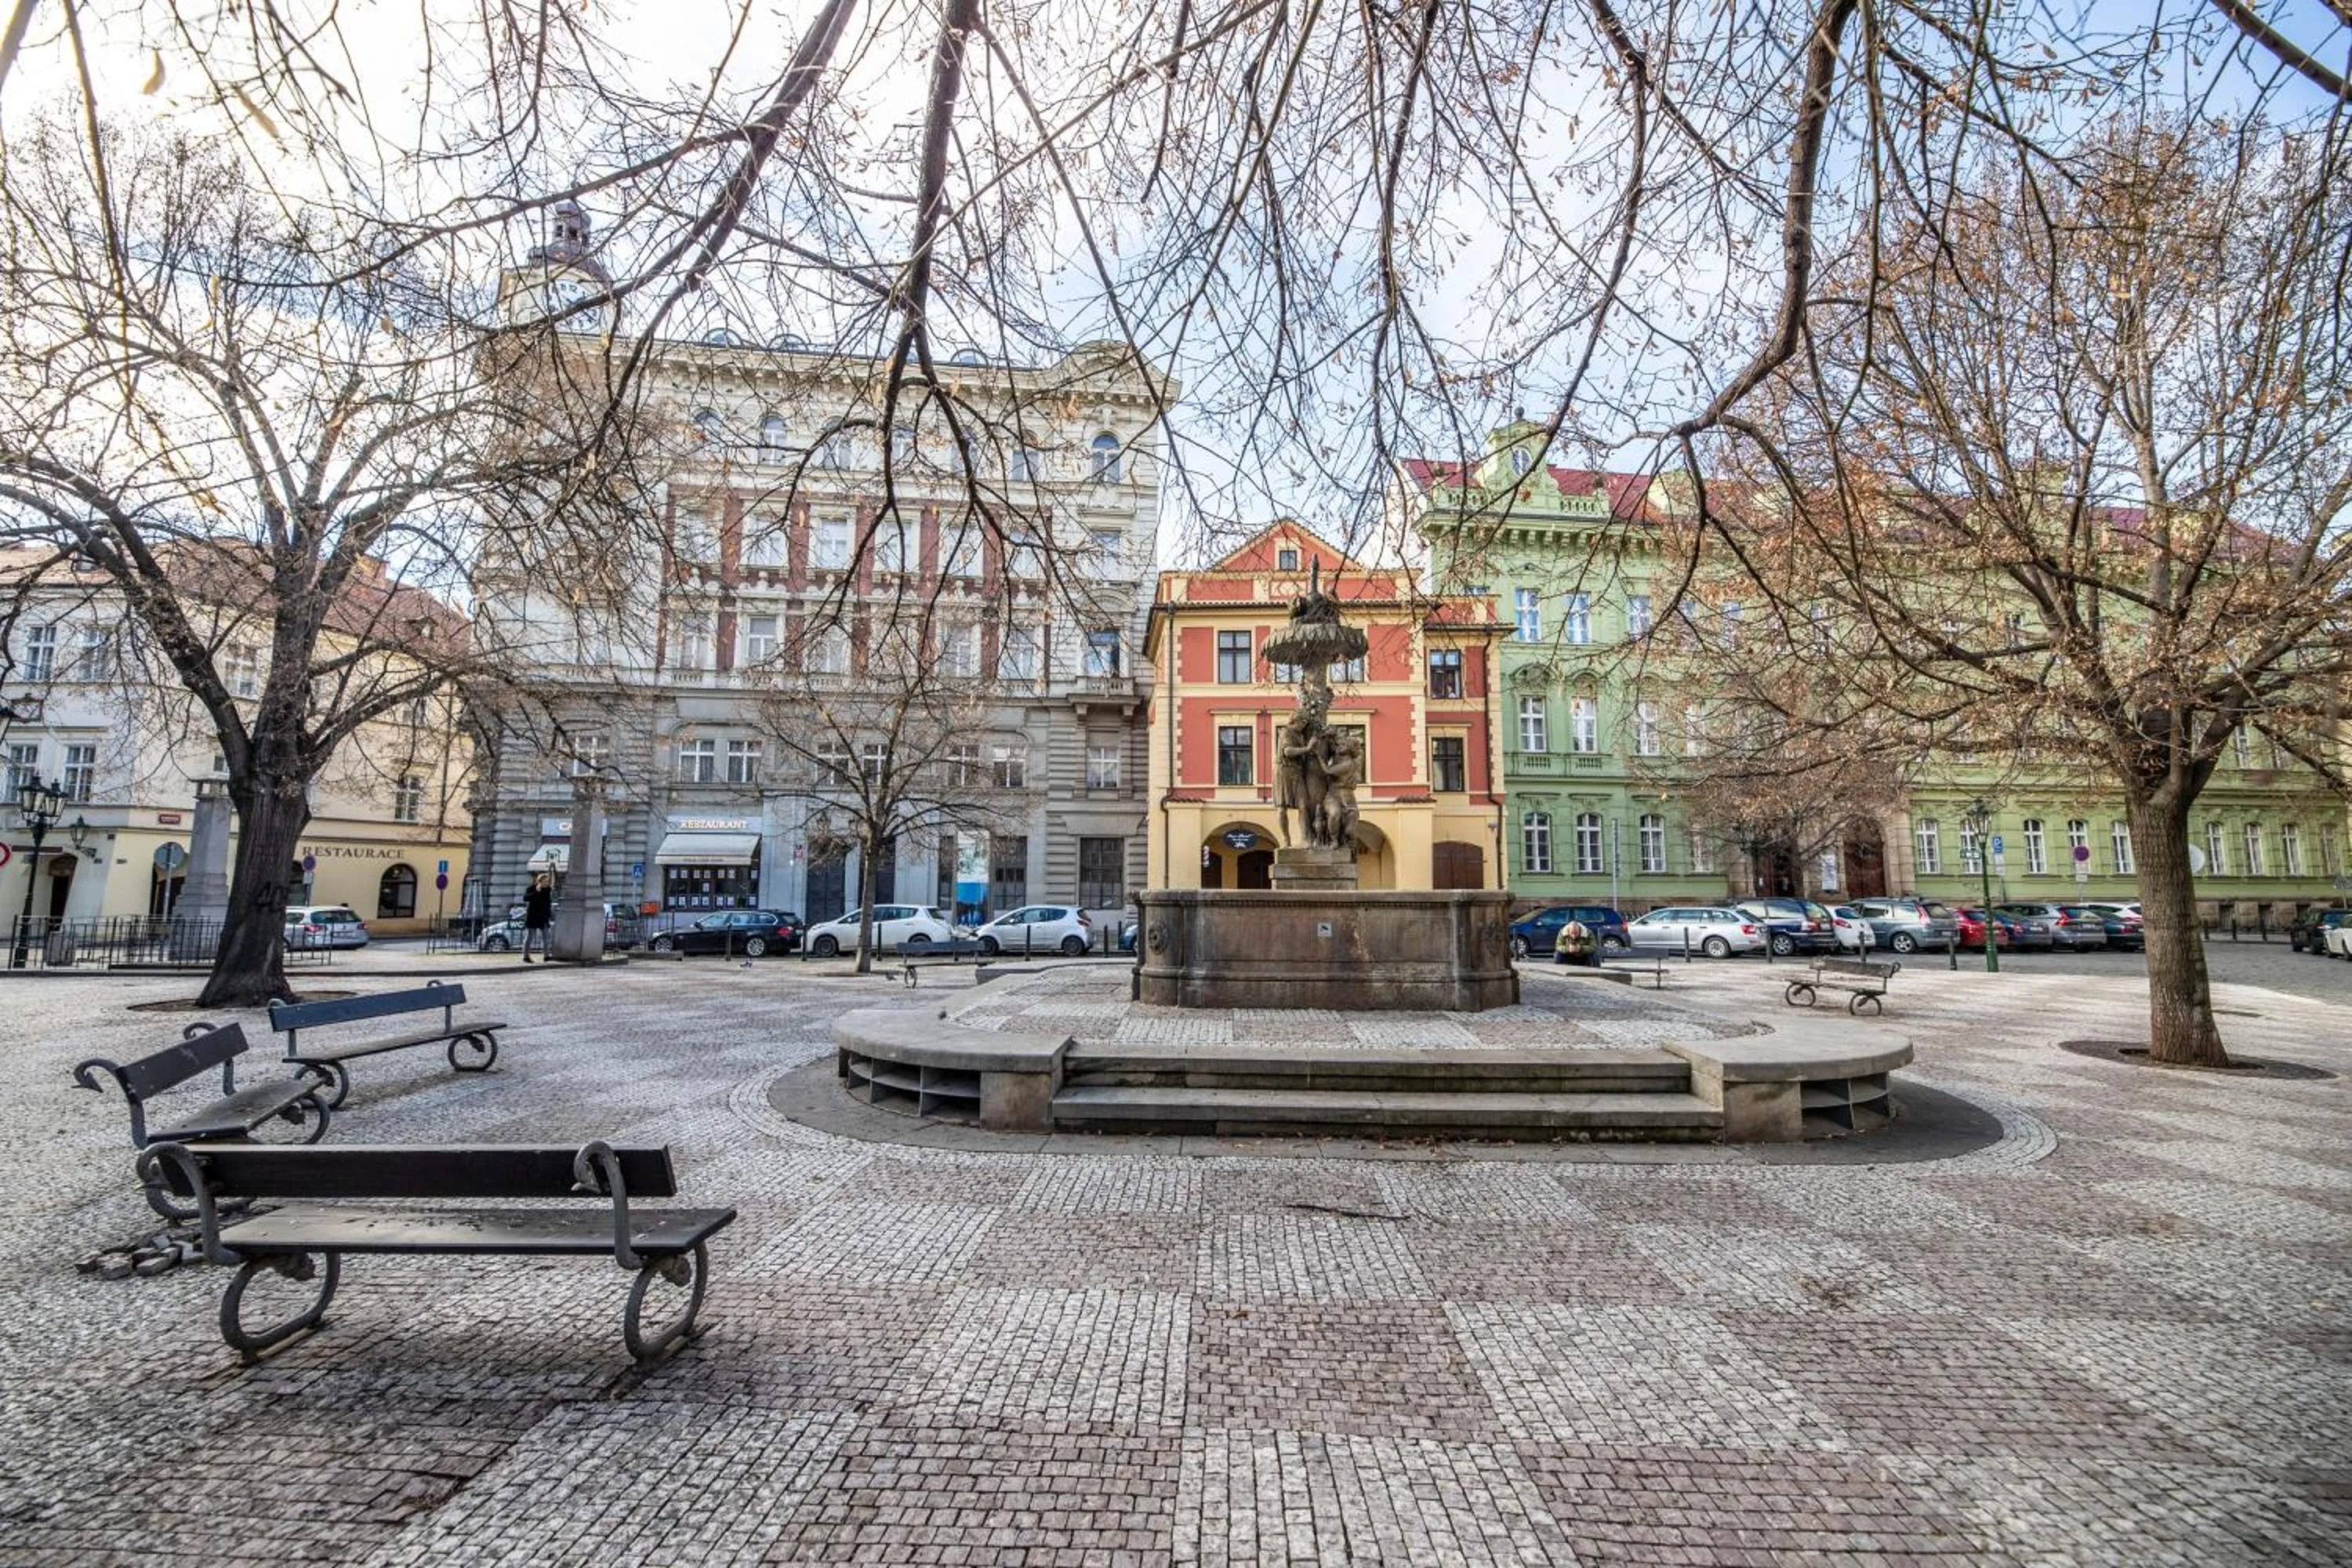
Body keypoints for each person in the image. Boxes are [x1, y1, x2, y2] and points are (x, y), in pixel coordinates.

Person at [521, 873, 554, 963]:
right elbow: (525, 898)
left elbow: (548, 903)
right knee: (530, 936)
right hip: (533, 916)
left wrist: (549, 915)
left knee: (546, 937)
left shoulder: (548, 890)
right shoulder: (531, 888)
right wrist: (536, 892)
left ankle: (547, 956)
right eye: (545, 881)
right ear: (539, 881)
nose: (546, 883)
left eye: (547, 881)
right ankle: (526, 956)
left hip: (543, 917)